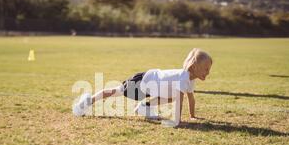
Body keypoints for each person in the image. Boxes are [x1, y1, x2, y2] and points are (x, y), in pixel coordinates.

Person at [73, 48, 212, 126]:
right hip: (144, 82)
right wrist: (178, 121)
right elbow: (180, 101)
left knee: (171, 97)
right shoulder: (183, 78)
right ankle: (86, 102)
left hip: (151, 85)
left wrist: (193, 116)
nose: (208, 72)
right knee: (117, 91)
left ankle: (144, 107)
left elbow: (191, 98)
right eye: (205, 69)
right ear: (194, 67)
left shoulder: (190, 79)